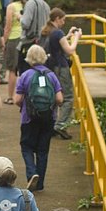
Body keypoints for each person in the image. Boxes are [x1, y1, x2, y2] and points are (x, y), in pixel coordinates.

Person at [13, 44, 63, 192]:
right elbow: (60, 99)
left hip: (29, 118)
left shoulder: (25, 75)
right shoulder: (52, 75)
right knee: (42, 150)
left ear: (29, 58)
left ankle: (31, 173)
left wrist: (27, 105)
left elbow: (17, 99)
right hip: (48, 118)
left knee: (26, 147)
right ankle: (40, 183)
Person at [41, 8, 81, 139]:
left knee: (53, 96)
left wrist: (68, 35)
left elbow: (57, 43)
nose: (64, 22)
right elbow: (69, 50)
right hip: (61, 68)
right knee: (68, 97)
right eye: (63, 20)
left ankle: (52, 124)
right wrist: (76, 38)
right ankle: (61, 125)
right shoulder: (57, 33)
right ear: (57, 19)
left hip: (51, 68)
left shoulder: (49, 31)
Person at [17, 0, 51, 76]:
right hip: (43, 45)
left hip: (29, 46)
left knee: (26, 76)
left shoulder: (30, 3)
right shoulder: (46, 5)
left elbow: (25, 24)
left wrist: (20, 17)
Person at [2, 0, 25, 102]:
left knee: (12, 69)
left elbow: (8, 27)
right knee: (23, 68)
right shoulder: (24, 5)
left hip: (13, 38)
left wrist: (3, 41)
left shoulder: (11, 7)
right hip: (24, 37)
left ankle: (11, 97)